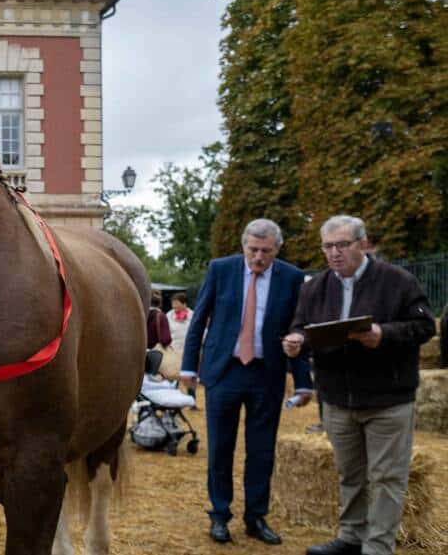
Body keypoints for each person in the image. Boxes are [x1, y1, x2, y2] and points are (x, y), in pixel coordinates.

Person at [286, 215, 436, 555]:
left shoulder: (398, 281)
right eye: (328, 246)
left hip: (388, 399)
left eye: (343, 245)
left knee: (386, 478)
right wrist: (296, 340)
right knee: (349, 474)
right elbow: (300, 326)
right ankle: (351, 537)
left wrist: (384, 334)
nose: (335, 253)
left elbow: (425, 326)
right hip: (337, 399)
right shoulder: (315, 287)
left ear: (363, 244)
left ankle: (378, 546)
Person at [181, 219, 312, 546]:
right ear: (244, 246)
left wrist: (303, 380)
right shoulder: (220, 269)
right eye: (253, 250)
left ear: (277, 250)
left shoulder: (292, 277)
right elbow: (199, 321)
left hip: (266, 373)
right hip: (223, 371)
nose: (258, 257)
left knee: (262, 450)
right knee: (220, 448)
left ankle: (256, 517)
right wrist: (188, 367)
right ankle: (220, 515)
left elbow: (299, 328)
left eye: (265, 251)